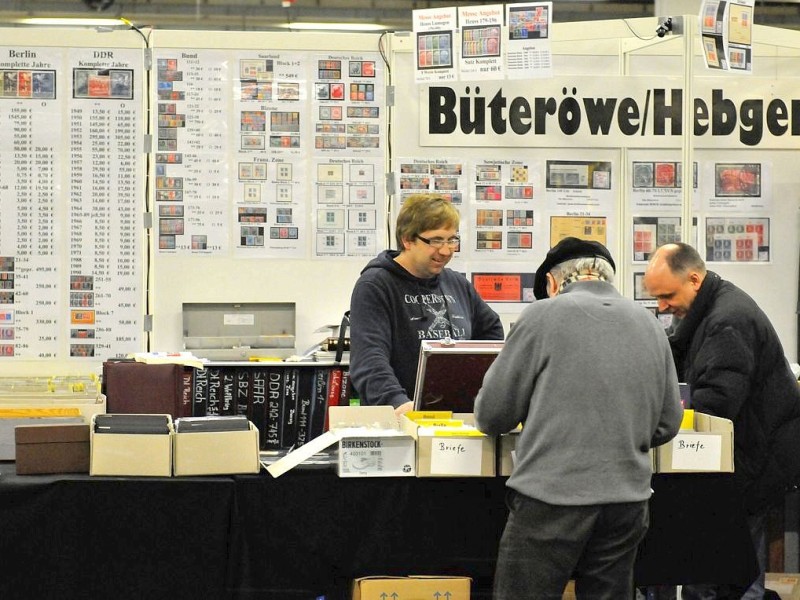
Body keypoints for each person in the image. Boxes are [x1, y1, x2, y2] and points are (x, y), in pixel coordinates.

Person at [474, 237, 683, 600]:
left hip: (552, 499)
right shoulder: (648, 324)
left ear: (553, 283)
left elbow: (492, 414)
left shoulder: (542, 316)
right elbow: (667, 422)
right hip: (627, 501)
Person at [644, 242, 800, 600]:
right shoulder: (708, 309)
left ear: (694, 280)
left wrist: (663, 422)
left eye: (667, 295)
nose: (661, 306)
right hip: (750, 451)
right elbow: (678, 347)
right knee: (721, 564)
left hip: (759, 458)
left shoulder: (728, 320)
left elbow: (715, 404)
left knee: (733, 570)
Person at [349, 193, 504, 414]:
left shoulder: (456, 283)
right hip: (403, 420)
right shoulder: (376, 286)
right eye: (436, 240)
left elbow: (492, 335)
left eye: (451, 240)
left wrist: (480, 387)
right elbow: (369, 360)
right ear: (407, 240)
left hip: (457, 416)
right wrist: (398, 404)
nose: (446, 250)